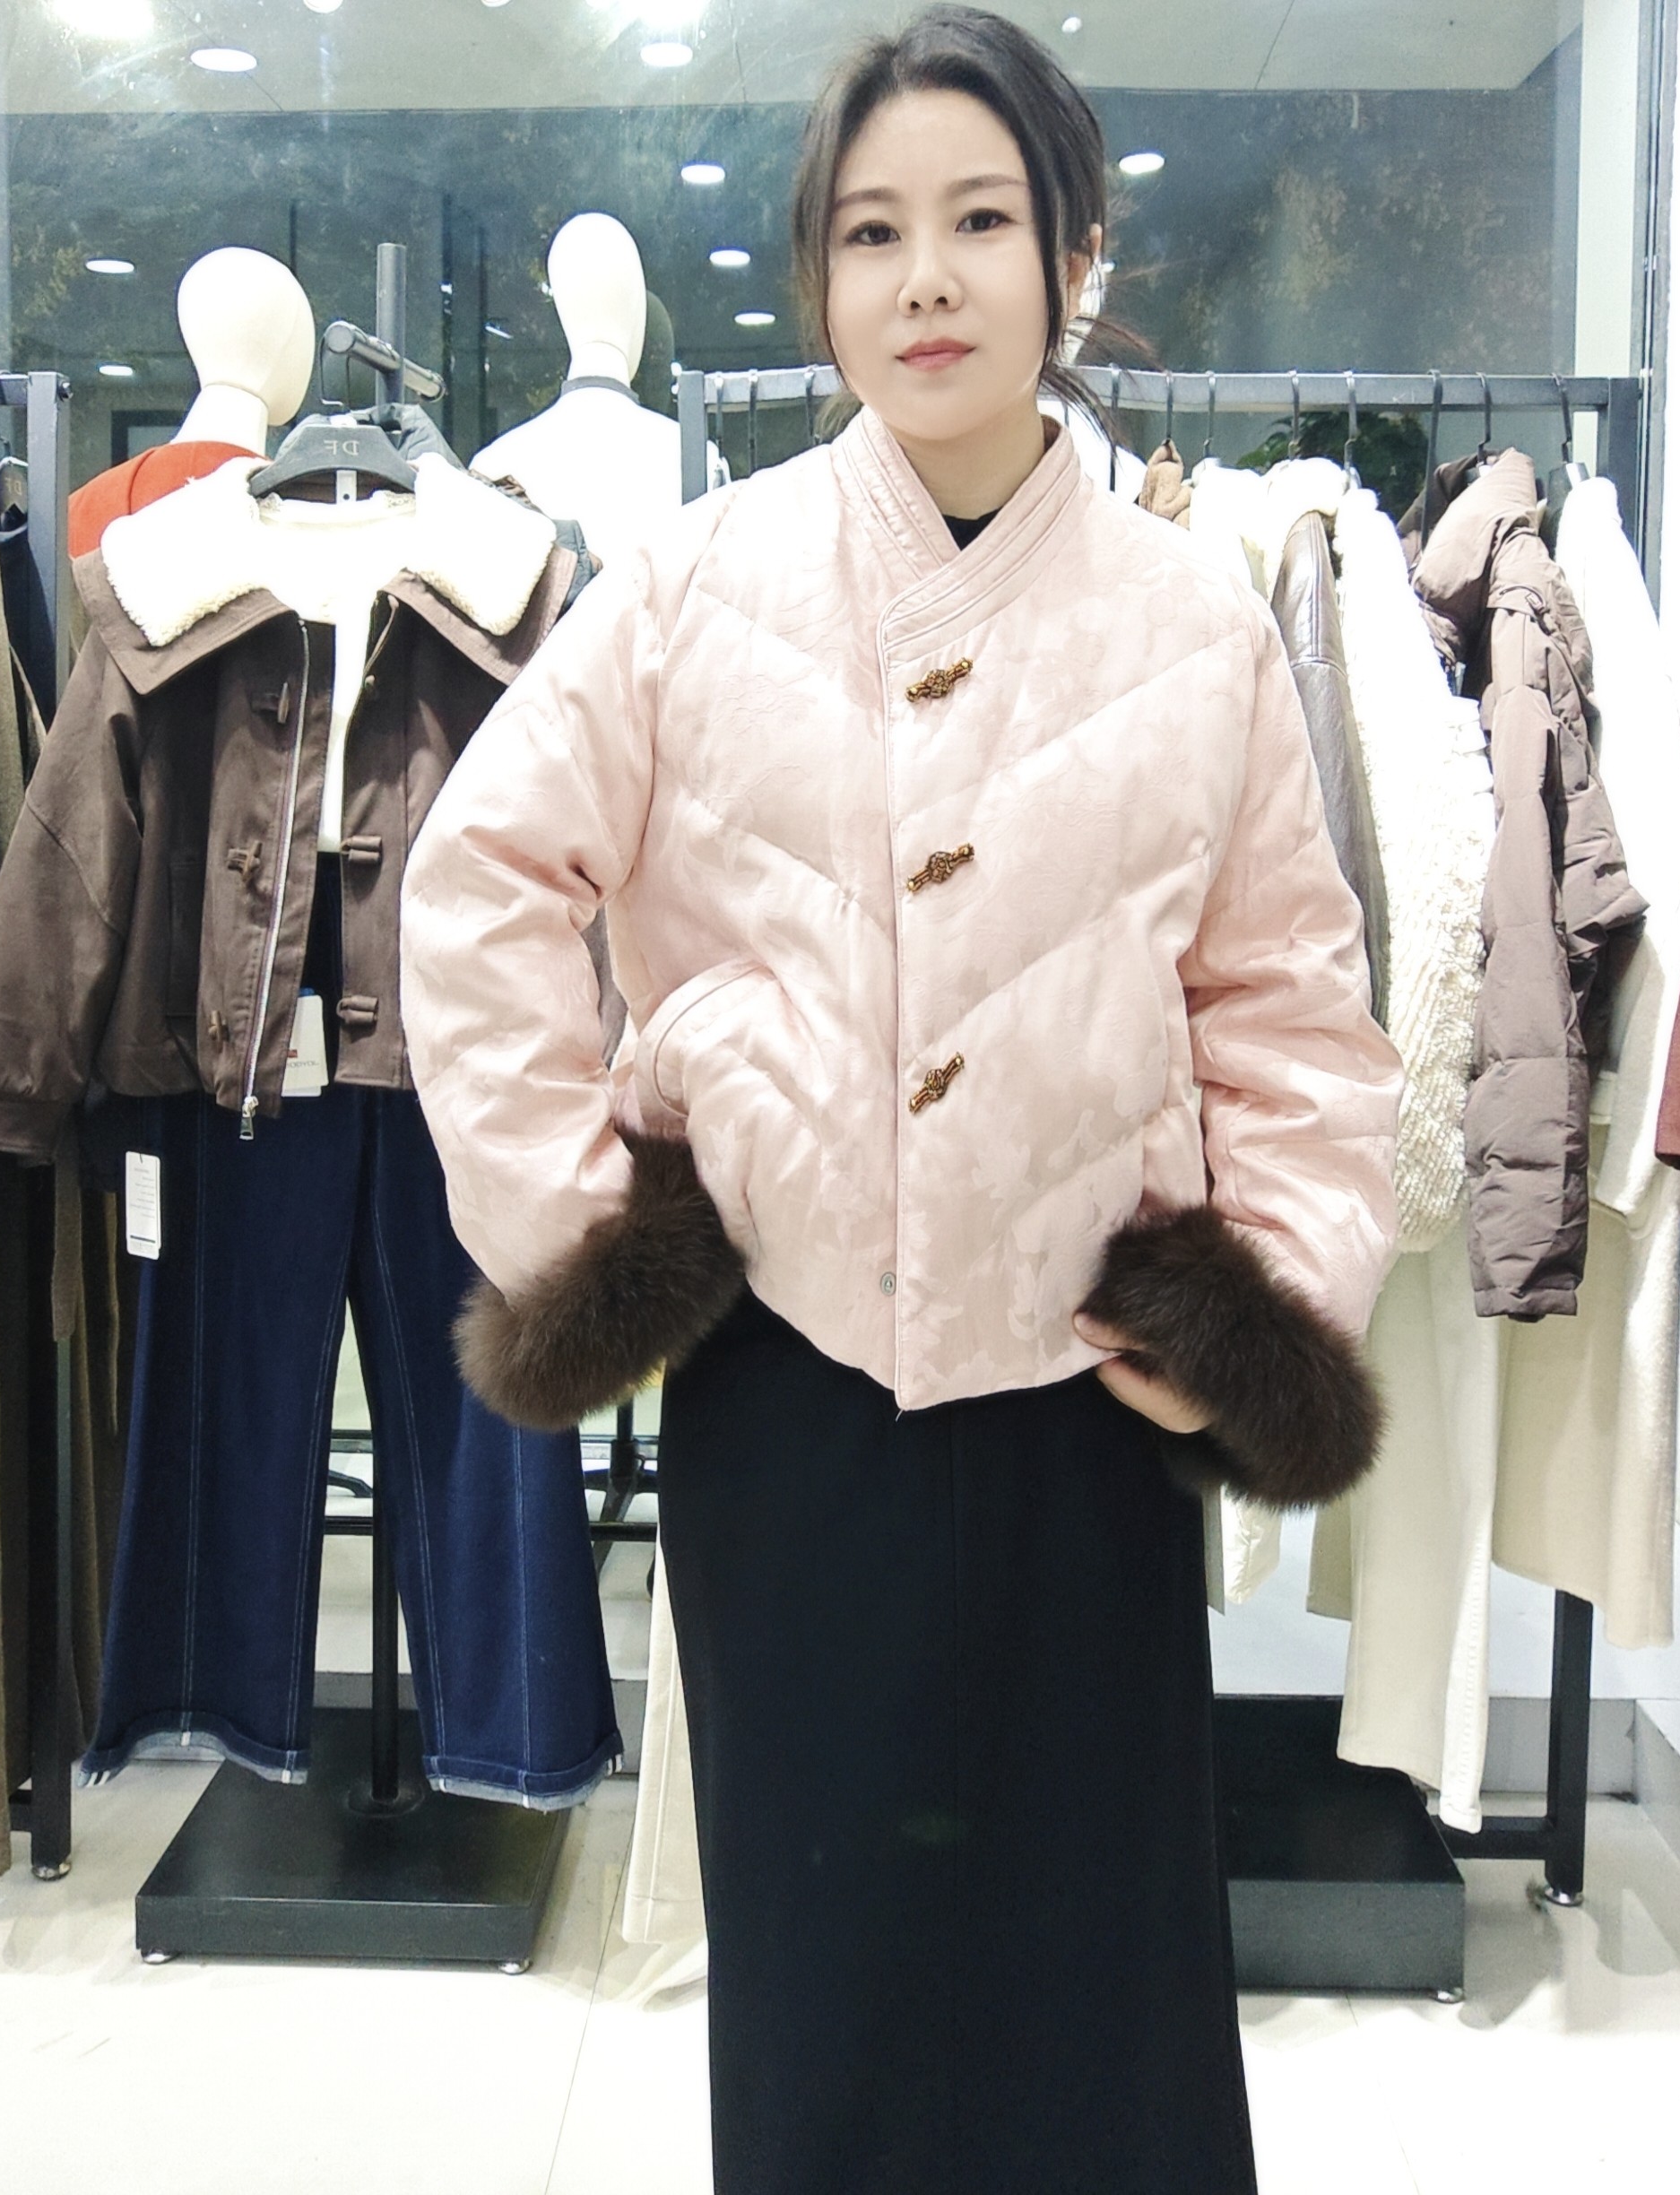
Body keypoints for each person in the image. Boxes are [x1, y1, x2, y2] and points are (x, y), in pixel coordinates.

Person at [401, 9, 1401, 2189]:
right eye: (871, 232)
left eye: (978, 221)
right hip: (790, 1389)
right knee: (825, 1975)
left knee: (1097, 1998)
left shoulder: (1195, 623)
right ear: (818, 276)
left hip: (1091, 1393)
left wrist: (1265, 1302)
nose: (925, 278)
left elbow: (1294, 1012)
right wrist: (599, 1232)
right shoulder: (691, 587)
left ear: (1072, 256)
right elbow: (477, 887)